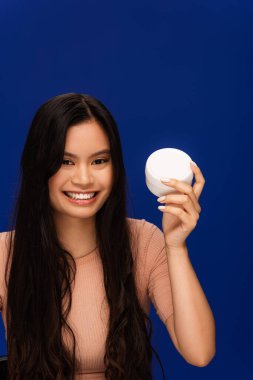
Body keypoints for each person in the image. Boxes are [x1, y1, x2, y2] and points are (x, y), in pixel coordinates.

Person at [0, 93, 215, 379]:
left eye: (99, 161)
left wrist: (176, 246)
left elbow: (199, 352)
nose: (85, 178)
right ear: (40, 166)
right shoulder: (6, 253)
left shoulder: (144, 242)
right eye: (66, 162)